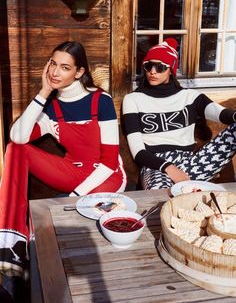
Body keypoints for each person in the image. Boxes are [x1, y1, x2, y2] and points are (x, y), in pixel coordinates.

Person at [0, 41, 127, 281]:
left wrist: (73, 196)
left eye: (65, 67)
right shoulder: (51, 106)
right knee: (15, 150)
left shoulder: (101, 101)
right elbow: (17, 137)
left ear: (79, 72)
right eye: (53, 64)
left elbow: (109, 162)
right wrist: (43, 93)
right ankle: (11, 240)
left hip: (105, 175)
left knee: (72, 215)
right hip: (71, 170)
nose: (55, 72)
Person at [122, 37, 236, 190]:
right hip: (156, 166)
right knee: (161, 196)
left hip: (191, 162)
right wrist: (169, 168)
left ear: (171, 70)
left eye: (160, 67)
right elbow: (138, 152)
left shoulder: (190, 96)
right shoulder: (132, 99)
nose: (152, 71)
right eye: (148, 66)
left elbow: (220, 114)